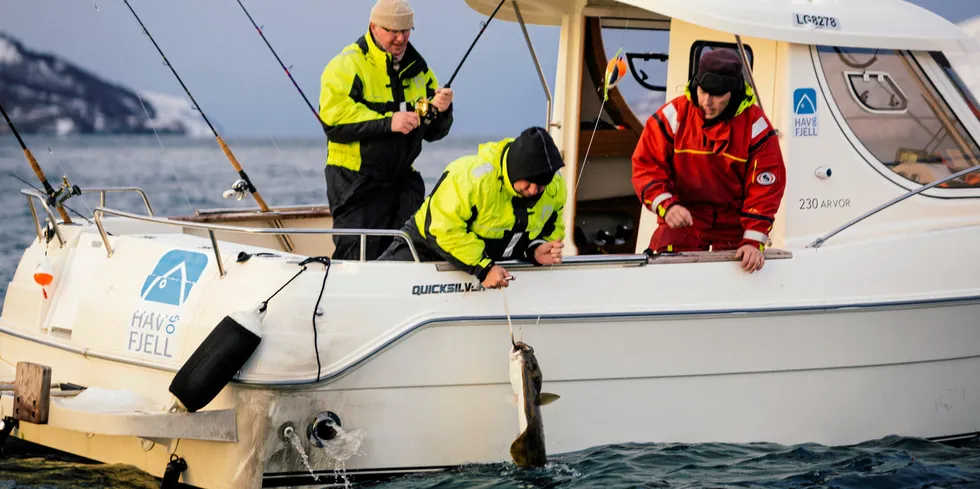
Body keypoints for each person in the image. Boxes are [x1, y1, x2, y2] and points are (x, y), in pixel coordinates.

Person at [318, 0, 454, 261]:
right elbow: (334, 120)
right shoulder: (346, 65)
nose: (400, 38)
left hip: (402, 184)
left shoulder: (421, 71)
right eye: (392, 31)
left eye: (406, 30)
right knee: (355, 261)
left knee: (406, 259)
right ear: (374, 27)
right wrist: (389, 122)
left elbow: (434, 133)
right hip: (356, 183)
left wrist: (442, 110)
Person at [631, 48, 786, 273]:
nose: (707, 101)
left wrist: (753, 241)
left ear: (734, 92)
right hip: (682, 219)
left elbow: (766, 189)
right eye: (703, 91)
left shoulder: (756, 128)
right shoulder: (673, 116)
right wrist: (667, 205)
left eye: (717, 94)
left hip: (733, 228)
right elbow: (645, 166)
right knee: (660, 277)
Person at [379, 127, 567, 289]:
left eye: (541, 185)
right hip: (426, 249)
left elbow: (551, 230)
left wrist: (536, 249)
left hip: (485, 266)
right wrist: (483, 269)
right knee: (378, 284)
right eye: (528, 182)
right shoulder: (470, 178)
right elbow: (444, 229)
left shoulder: (555, 188)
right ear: (514, 170)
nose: (534, 190)